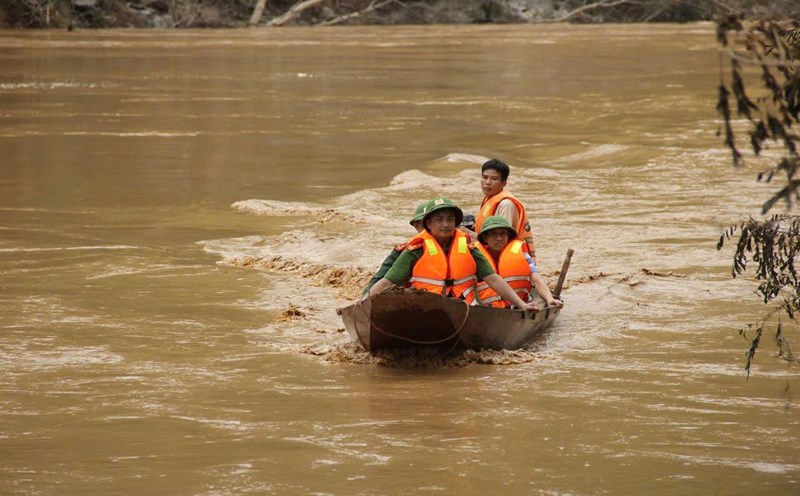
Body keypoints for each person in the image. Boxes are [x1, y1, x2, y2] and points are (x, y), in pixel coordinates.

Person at [365, 197, 540, 313]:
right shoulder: (415, 251)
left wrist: (522, 305)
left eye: (450, 219)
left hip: (463, 311)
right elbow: (387, 281)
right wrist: (363, 302)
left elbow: (493, 279)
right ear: (429, 224)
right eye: (439, 220)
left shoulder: (470, 249)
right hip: (424, 310)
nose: (446, 224)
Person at [473, 215, 563, 309]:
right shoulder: (474, 256)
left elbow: (536, 279)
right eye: (494, 234)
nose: (499, 238)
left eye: (503, 233)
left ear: (508, 236)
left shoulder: (522, 255)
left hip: (519, 306)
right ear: (485, 238)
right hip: (487, 308)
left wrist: (549, 299)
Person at [459, 158, 537, 263]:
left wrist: (468, 233)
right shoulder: (489, 198)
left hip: (509, 259)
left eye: (494, 179)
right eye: (485, 177)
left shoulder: (506, 204)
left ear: (504, 183)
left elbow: (500, 240)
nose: (487, 182)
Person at [361, 200, 430, 298]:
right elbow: (380, 278)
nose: (432, 229)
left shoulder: (457, 248)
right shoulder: (404, 251)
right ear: (416, 226)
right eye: (426, 225)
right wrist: (364, 299)